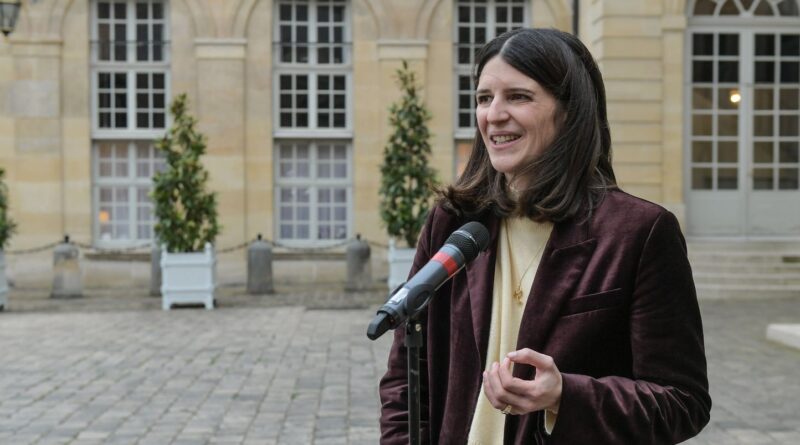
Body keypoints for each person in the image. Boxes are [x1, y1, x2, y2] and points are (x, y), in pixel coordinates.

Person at [378, 28, 711, 444]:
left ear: (569, 111)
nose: (493, 114)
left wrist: (565, 395)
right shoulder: (452, 223)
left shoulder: (638, 233)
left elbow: (683, 401)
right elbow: (405, 382)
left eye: (518, 96)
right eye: (484, 98)